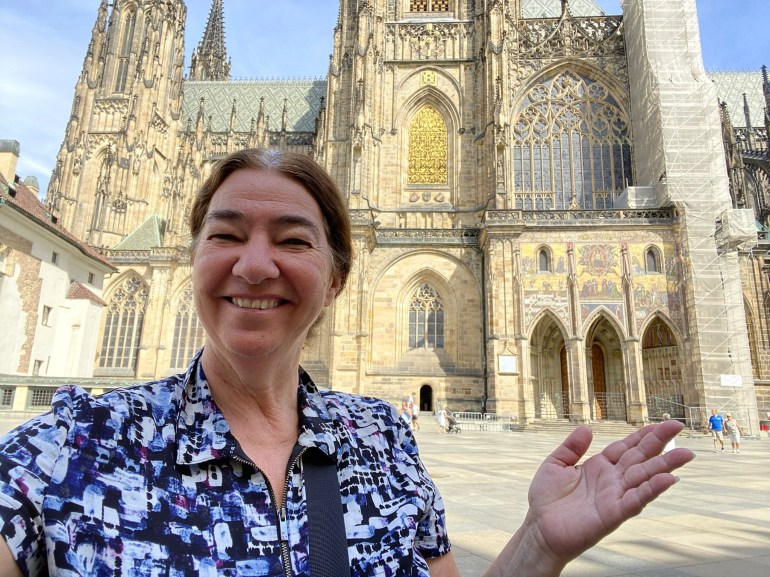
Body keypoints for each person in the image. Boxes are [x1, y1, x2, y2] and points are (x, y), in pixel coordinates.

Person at [0, 148, 693, 576]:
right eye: (226, 233)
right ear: (192, 260)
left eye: (294, 240)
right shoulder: (69, 446)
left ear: (336, 278)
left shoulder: (382, 441)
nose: (255, 262)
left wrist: (539, 545)